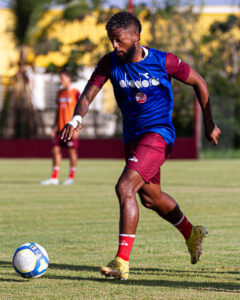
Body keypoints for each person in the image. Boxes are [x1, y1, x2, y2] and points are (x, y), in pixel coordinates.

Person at [60, 12, 221, 279]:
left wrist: (209, 124)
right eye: (111, 40)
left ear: (136, 36)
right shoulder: (110, 62)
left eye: (119, 40)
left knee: (125, 187)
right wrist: (76, 119)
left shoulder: (163, 61)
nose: (114, 45)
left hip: (158, 136)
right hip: (133, 139)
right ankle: (191, 232)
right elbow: (89, 94)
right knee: (150, 198)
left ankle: (121, 262)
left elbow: (199, 82)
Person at [41, 69, 80, 185]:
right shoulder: (59, 93)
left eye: (62, 78)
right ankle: (54, 177)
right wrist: (54, 126)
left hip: (71, 128)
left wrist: (77, 127)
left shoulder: (75, 93)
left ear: (69, 78)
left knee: (72, 151)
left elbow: (81, 110)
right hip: (60, 128)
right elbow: (58, 111)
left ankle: (71, 177)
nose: (60, 80)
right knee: (55, 149)